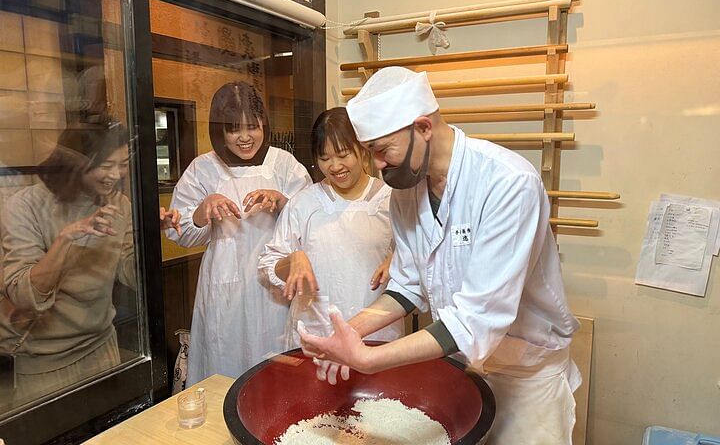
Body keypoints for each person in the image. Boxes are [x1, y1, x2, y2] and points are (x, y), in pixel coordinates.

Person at [299, 67, 581, 444]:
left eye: (383, 151)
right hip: (466, 365)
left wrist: (367, 359)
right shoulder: (407, 191)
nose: (377, 166)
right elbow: (407, 286)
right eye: (371, 153)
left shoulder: (507, 183)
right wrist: (350, 332)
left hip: (527, 376)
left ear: (423, 128)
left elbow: (477, 318)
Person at [166, 81, 311, 386]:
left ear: (264, 124)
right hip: (224, 285)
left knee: (273, 362)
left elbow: (312, 223)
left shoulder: (283, 165)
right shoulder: (203, 168)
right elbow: (180, 233)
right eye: (233, 129)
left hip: (274, 284)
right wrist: (202, 211)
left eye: (252, 127)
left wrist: (283, 203)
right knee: (223, 359)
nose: (245, 138)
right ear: (220, 132)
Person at [258, 108, 403, 379]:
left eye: (342, 154)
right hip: (315, 333)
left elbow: (424, 259)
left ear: (362, 149)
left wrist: (399, 257)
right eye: (324, 158)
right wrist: (293, 260)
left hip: (377, 334)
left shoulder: (392, 200)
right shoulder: (304, 203)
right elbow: (267, 266)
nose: (334, 166)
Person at [0, 121, 134, 400]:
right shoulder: (26, 205)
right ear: (75, 162)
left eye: (122, 164)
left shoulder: (119, 204)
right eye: (106, 165)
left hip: (101, 346)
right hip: (42, 359)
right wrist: (65, 241)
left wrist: (153, 235)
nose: (116, 175)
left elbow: (128, 271)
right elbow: (22, 293)